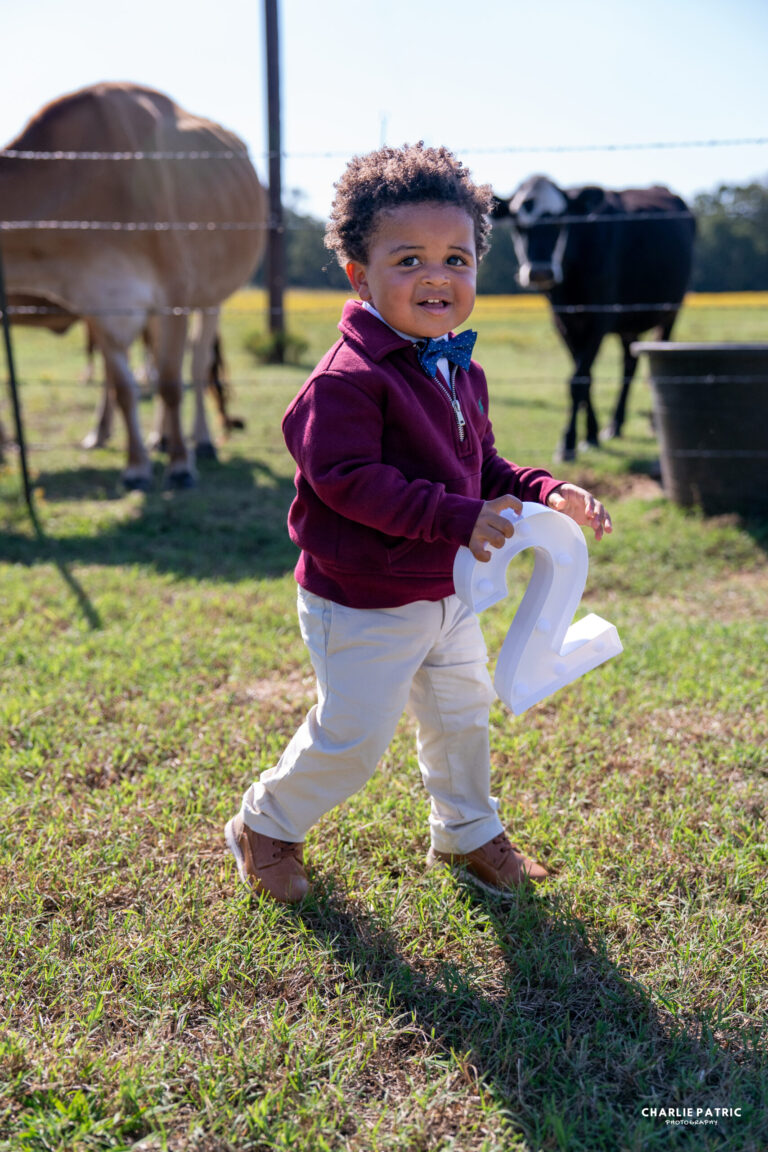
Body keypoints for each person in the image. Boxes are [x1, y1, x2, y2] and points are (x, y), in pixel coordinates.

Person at [226, 143, 612, 904]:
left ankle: (467, 832)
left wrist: (546, 488)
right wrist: (455, 516)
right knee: (355, 737)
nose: (436, 275)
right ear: (359, 276)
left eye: (456, 258)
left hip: (448, 586)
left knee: (463, 715)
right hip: (364, 596)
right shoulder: (346, 380)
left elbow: (484, 468)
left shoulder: (458, 367)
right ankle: (266, 824)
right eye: (408, 260)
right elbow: (346, 482)